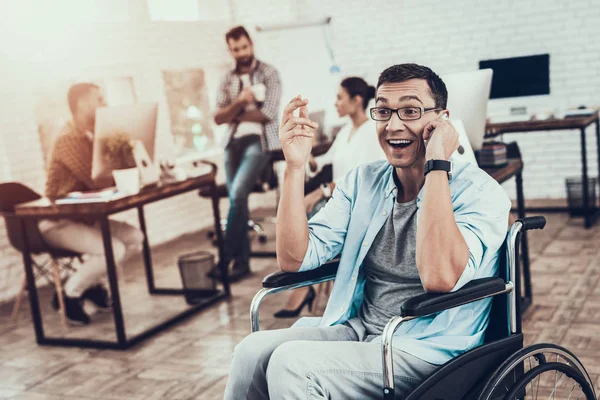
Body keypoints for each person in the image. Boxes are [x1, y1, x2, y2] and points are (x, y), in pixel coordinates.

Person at [224, 63, 511, 399]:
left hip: (428, 348)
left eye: (410, 110)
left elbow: (439, 276)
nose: (393, 125)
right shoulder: (364, 181)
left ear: (441, 119)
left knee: (292, 365)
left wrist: (437, 163)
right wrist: (295, 166)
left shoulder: (480, 192)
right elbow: (294, 258)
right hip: (361, 330)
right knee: (250, 352)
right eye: (384, 111)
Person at [274, 77, 386, 318]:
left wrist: (320, 192)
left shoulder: (370, 132)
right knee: (294, 214)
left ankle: (306, 284)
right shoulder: (346, 130)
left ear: (357, 100)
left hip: (354, 203)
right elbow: (323, 163)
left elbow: (361, 176)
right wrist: (305, 152)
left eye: (339, 97)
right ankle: (306, 282)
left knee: (307, 212)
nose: (335, 103)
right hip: (336, 199)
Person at [39, 83, 143, 326]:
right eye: (99, 99)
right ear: (82, 104)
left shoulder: (94, 135)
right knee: (114, 249)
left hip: (85, 218)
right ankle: (68, 295)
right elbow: (94, 177)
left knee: (134, 238)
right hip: (57, 223)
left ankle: (92, 286)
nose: (105, 104)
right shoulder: (68, 139)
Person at [211, 25, 282, 281]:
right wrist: (241, 102)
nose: (241, 53)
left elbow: (268, 114)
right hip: (232, 143)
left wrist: (234, 113)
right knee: (236, 200)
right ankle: (241, 263)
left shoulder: (269, 73)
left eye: (244, 47)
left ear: (251, 44)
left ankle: (225, 258)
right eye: (235, 49)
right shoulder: (226, 79)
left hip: (259, 142)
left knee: (238, 193)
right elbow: (218, 118)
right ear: (230, 50)